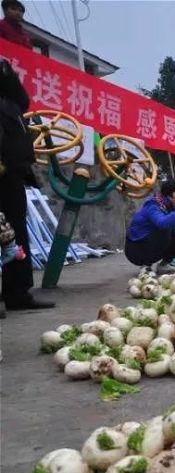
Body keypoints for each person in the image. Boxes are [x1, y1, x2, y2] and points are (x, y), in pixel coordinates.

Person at [0, 58, 52, 311]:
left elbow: (23, 99)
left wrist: (6, 71)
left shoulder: (11, 103)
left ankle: (18, 292)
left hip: (12, 173)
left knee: (14, 232)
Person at [125, 180, 175, 275]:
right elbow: (162, 223)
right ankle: (146, 265)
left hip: (154, 245)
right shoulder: (153, 205)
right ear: (169, 194)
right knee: (165, 229)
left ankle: (164, 265)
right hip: (136, 249)